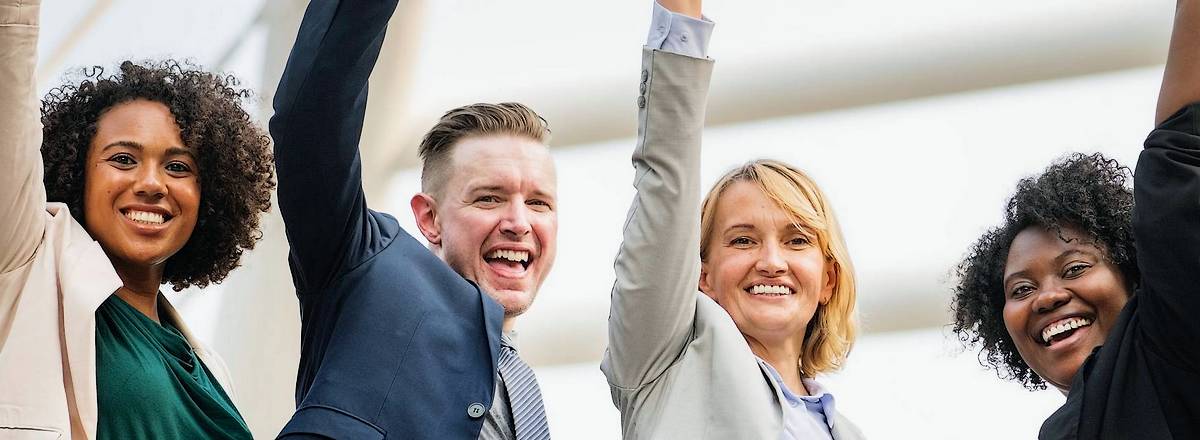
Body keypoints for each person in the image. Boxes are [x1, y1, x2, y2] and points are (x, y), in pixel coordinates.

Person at [271, 0, 557, 438]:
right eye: (489, 198)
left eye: (538, 203)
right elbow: (312, 126)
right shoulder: (366, 265)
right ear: (429, 218)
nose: (519, 222)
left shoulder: (524, 392)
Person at [0, 0, 276, 438]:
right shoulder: (28, 266)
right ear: (75, 174)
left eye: (178, 167)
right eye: (124, 159)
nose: (152, 183)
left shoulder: (210, 366)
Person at [600, 1, 866, 438]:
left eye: (797, 241)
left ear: (830, 279)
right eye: (742, 241)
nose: (771, 261)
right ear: (702, 275)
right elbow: (666, 177)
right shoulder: (665, 365)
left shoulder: (849, 431)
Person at [951, 1, 1200, 438]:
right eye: (1021, 289)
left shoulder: (1173, 346)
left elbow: (1181, 154)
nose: (1046, 298)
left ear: (1137, 274)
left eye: (1076, 268)